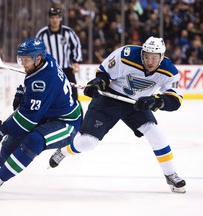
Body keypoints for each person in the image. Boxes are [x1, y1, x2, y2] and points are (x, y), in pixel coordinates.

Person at [49, 36, 187, 193]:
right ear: (142, 53)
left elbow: (175, 100)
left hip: (135, 104)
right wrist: (98, 83)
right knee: (87, 142)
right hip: (109, 99)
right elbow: (104, 73)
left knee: (156, 133)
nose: (149, 61)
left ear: (162, 57)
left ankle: (170, 174)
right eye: (146, 56)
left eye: (154, 58)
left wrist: (157, 101)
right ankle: (63, 151)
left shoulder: (169, 71)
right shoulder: (125, 55)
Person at [0, 38, 82, 197]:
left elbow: (28, 119)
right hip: (47, 115)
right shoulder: (46, 60)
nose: (23, 63)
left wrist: (2, 129)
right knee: (12, 140)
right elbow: (30, 109)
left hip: (67, 122)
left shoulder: (43, 81)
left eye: (26, 60)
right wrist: (26, 97)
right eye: (21, 59)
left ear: (38, 59)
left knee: (34, 140)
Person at [35, 7, 82, 100]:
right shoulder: (42, 34)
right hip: (49, 71)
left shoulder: (68, 32)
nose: (55, 20)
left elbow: (76, 46)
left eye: (57, 17)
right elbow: (36, 51)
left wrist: (76, 61)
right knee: (47, 96)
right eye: (52, 18)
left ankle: (77, 114)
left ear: (60, 18)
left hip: (67, 70)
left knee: (73, 96)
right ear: (49, 18)